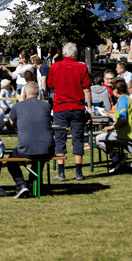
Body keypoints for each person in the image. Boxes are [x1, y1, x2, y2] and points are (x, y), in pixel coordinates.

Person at [48, 43, 92, 182]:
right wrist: (89, 108)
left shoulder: (55, 66)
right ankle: (78, 172)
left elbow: (50, 84)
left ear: (64, 53)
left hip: (60, 107)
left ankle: (61, 172)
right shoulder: (82, 67)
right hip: (77, 107)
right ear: (76, 54)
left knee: (60, 138)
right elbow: (86, 89)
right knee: (78, 138)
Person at [5, 82, 54, 198]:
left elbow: (11, 125)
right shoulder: (46, 106)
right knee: (39, 156)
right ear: (37, 94)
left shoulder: (18, 106)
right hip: (48, 148)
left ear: (25, 93)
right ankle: (33, 184)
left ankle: (21, 184)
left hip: (27, 148)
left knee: (11, 161)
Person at [95, 79, 132, 172]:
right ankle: (125, 156)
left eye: (112, 89)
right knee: (106, 138)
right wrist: (110, 114)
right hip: (128, 129)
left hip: (123, 131)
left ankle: (116, 157)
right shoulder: (127, 98)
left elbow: (123, 119)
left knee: (97, 139)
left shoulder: (122, 100)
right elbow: (123, 116)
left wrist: (111, 127)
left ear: (116, 90)